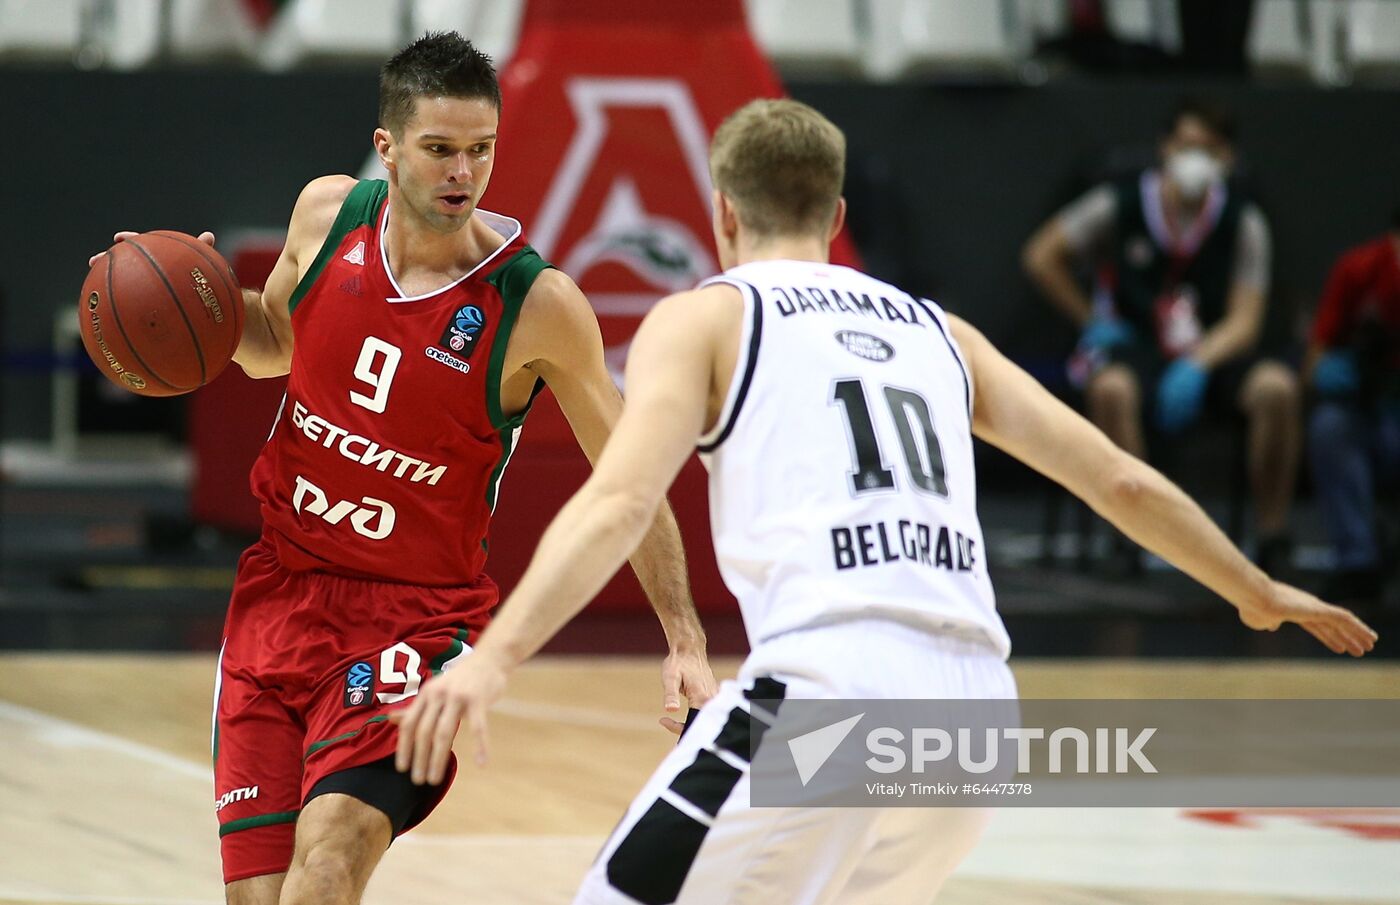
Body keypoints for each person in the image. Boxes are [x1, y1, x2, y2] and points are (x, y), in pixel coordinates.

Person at [393, 98, 1377, 905]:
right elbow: (1113, 475)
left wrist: (494, 655)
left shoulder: (702, 317)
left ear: (720, 214)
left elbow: (617, 500)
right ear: (833, 214)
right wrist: (1251, 587)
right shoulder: (939, 331)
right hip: (976, 720)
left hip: (831, 687)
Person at [94, 32, 715, 905]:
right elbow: (273, 342)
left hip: (409, 626)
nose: (463, 172)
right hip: (280, 594)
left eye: (481, 149)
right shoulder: (327, 215)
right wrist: (190, 303)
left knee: (328, 867)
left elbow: (631, 475)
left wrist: (684, 634)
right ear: (386, 147)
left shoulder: (535, 306)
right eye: (439, 150)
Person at [1022, 96, 1299, 572]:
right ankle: (1130, 533)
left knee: (1277, 389)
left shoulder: (1245, 223)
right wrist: (1092, 319)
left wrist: (1198, 362)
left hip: (1210, 352)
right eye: (1186, 144)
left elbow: (1245, 320)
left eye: (1208, 148)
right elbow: (1041, 256)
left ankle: (1273, 535)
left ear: (1227, 158)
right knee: (1111, 388)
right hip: (1137, 342)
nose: (1194, 158)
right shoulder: (1121, 203)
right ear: (1165, 147)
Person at [1306, 207, 1400, 606]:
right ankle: (1357, 563)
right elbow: (1314, 362)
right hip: (1369, 408)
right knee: (1331, 428)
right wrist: (1337, 369)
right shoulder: (1360, 269)